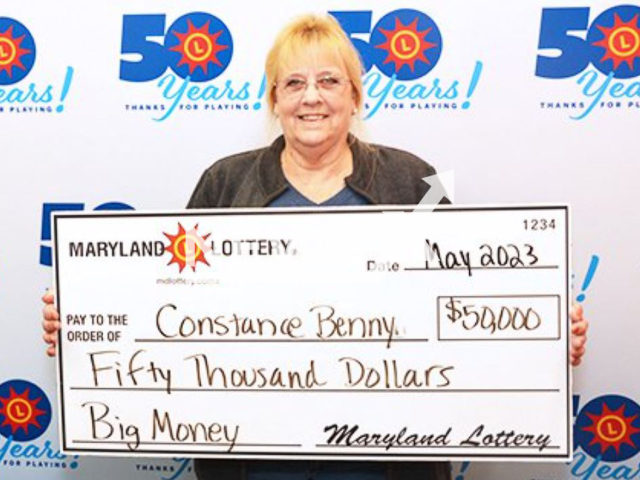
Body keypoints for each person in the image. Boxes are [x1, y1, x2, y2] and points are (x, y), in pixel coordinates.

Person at [42, 13, 589, 480]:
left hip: (387, 462)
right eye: (293, 83)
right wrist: (87, 316)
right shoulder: (224, 184)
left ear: (355, 94)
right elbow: (167, 305)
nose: (312, 98)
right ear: (273, 99)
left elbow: (466, 305)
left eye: (329, 81)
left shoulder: (419, 181)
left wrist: (539, 338)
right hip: (254, 460)